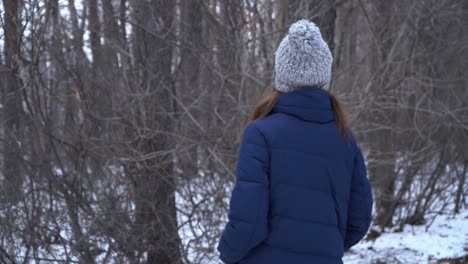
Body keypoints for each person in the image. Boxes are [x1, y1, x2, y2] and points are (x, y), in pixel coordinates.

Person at [216, 19, 373, 264]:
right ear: (324, 77)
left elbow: (248, 219)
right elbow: (359, 218)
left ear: (281, 76)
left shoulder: (260, 134)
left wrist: (227, 253)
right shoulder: (345, 138)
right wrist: (324, 248)